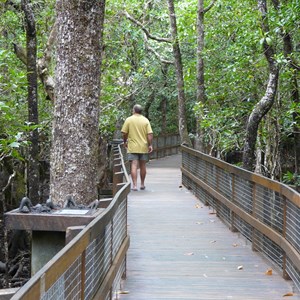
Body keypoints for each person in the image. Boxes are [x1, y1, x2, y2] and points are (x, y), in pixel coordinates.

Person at [121, 104, 153, 191]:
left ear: (134, 110)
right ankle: (142, 184)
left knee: (134, 165)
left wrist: (125, 141)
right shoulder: (145, 120)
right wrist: (150, 145)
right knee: (143, 165)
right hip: (143, 146)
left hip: (133, 146)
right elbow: (149, 134)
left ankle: (134, 185)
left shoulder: (129, 120)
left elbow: (124, 133)